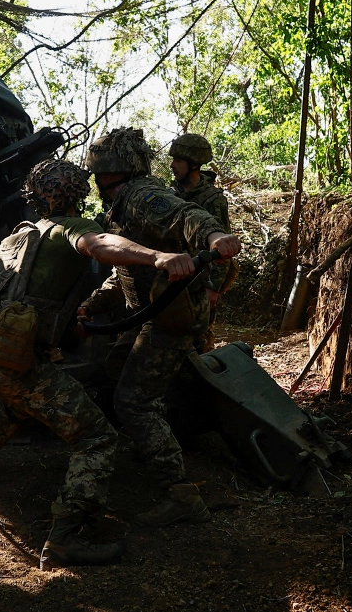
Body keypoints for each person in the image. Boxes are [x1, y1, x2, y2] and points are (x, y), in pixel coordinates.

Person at [0, 158, 198, 570]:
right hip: (16, 360)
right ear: (79, 194)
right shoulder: (69, 229)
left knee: (16, 405)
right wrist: (158, 257)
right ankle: (65, 539)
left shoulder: (17, 237)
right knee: (96, 437)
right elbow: (101, 245)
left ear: (34, 196)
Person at [78, 128, 241, 527]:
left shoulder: (141, 197)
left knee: (132, 401)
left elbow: (185, 215)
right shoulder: (120, 204)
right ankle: (156, 441)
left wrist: (215, 235)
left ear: (110, 171)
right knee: (120, 371)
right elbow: (125, 271)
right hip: (150, 312)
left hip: (171, 315)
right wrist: (94, 304)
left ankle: (180, 494)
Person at [168, 132, 235, 351]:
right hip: (174, 275)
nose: (172, 165)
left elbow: (222, 248)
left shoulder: (213, 199)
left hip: (200, 279)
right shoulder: (169, 195)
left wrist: (212, 289)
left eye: (178, 160)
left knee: (200, 341)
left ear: (194, 164)